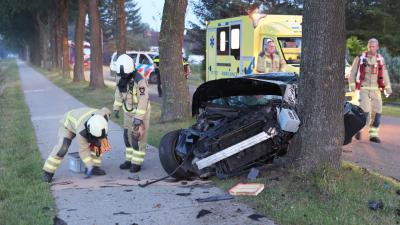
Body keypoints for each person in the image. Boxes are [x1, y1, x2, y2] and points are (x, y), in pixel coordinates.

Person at [42, 107, 111, 183]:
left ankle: (95, 167)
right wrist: (89, 165)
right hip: (67, 125)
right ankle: (48, 172)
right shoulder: (81, 132)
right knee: (62, 148)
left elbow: (106, 109)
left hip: (81, 121)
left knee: (99, 143)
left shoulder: (104, 116)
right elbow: (83, 150)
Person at [349, 38, 392, 143]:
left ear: (377, 47)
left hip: (376, 90)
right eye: (369, 46)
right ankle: (358, 130)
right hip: (363, 88)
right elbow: (352, 72)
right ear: (367, 46)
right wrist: (352, 85)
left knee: (378, 111)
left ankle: (373, 135)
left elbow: (385, 74)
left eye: (373, 46)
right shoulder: (360, 58)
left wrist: (388, 87)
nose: (371, 48)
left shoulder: (380, 59)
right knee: (365, 110)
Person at [113, 54, 150, 173]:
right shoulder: (121, 78)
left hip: (141, 112)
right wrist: (116, 107)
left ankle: (137, 163)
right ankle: (129, 160)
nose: (123, 77)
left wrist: (139, 118)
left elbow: (144, 99)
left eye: (125, 75)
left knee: (137, 138)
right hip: (128, 112)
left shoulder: (139, 80)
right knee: (127, 136)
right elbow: (118, 93)